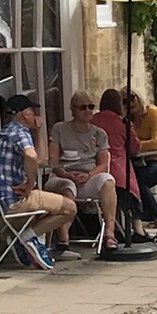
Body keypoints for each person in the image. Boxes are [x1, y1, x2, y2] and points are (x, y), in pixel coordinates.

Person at [0, 93, 77, 270]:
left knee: (46, 205)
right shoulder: (20, 131)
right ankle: (26, 237)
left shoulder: (3, 133)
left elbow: (40, 160)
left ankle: (27, 240)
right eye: (33, 111)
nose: (36, 115)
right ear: (25, 114)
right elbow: (32, 155)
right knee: (69, 208)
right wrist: (31, 183)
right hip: (13, 200)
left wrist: (37, 131)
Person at [47, 91, 120, 253]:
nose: (88, 110)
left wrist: (89, 175)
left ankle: (109, 232)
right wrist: (66, 174)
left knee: (108, 181)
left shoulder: (99, 133)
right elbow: (53, 161)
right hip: (63, 175)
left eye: (91, 107)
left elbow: (103, 164)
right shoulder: (60, 129)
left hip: (88, 177)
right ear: (73, 110)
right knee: (68, 187)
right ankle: (64, 237)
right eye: (83, 107)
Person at [92, 89, 157, 234]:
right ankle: (138, 230)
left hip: (95, 171)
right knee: (132, 189)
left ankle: (113, 230)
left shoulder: (92, 121)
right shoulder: (123, 123)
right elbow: (135, 148)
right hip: (119, 171)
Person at [127, 91, 157, 231]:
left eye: (131, 98)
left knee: (139, 180)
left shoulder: (154, 113)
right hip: (143, 161)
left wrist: (135, 146)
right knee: (128, 179)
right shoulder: (127, 120)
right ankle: (136, 220)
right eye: (124, 101)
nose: (129, 103)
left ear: (139, 97)